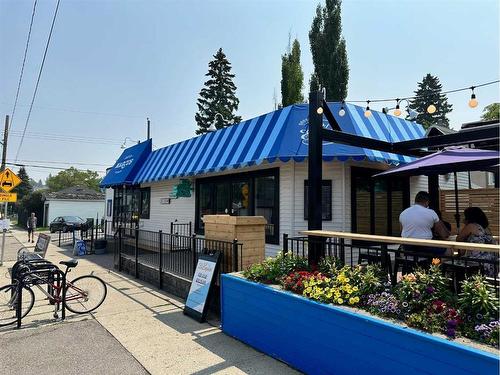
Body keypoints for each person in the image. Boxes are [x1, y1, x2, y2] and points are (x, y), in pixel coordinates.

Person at [456, 207, 498, 278]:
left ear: (469, 217)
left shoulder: (471, 226)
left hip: (477, 261)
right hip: (492, 260)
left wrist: (465, 225)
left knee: (455, 262)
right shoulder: (486, 228)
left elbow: (459, 238)